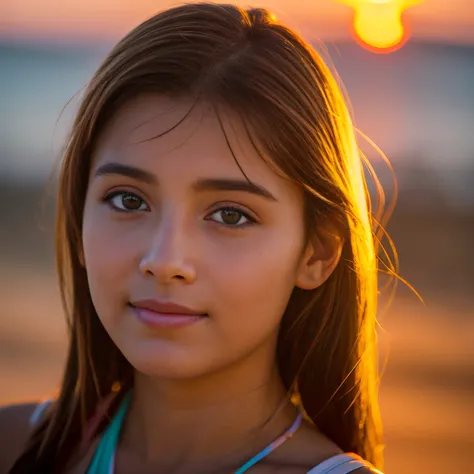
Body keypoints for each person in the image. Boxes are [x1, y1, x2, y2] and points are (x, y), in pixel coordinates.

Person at [0, 3, 388, 473]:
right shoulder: (14, 447)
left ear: (316, 253)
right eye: (128, 201)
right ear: (79, 221)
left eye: (230, 214)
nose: (165, 261)